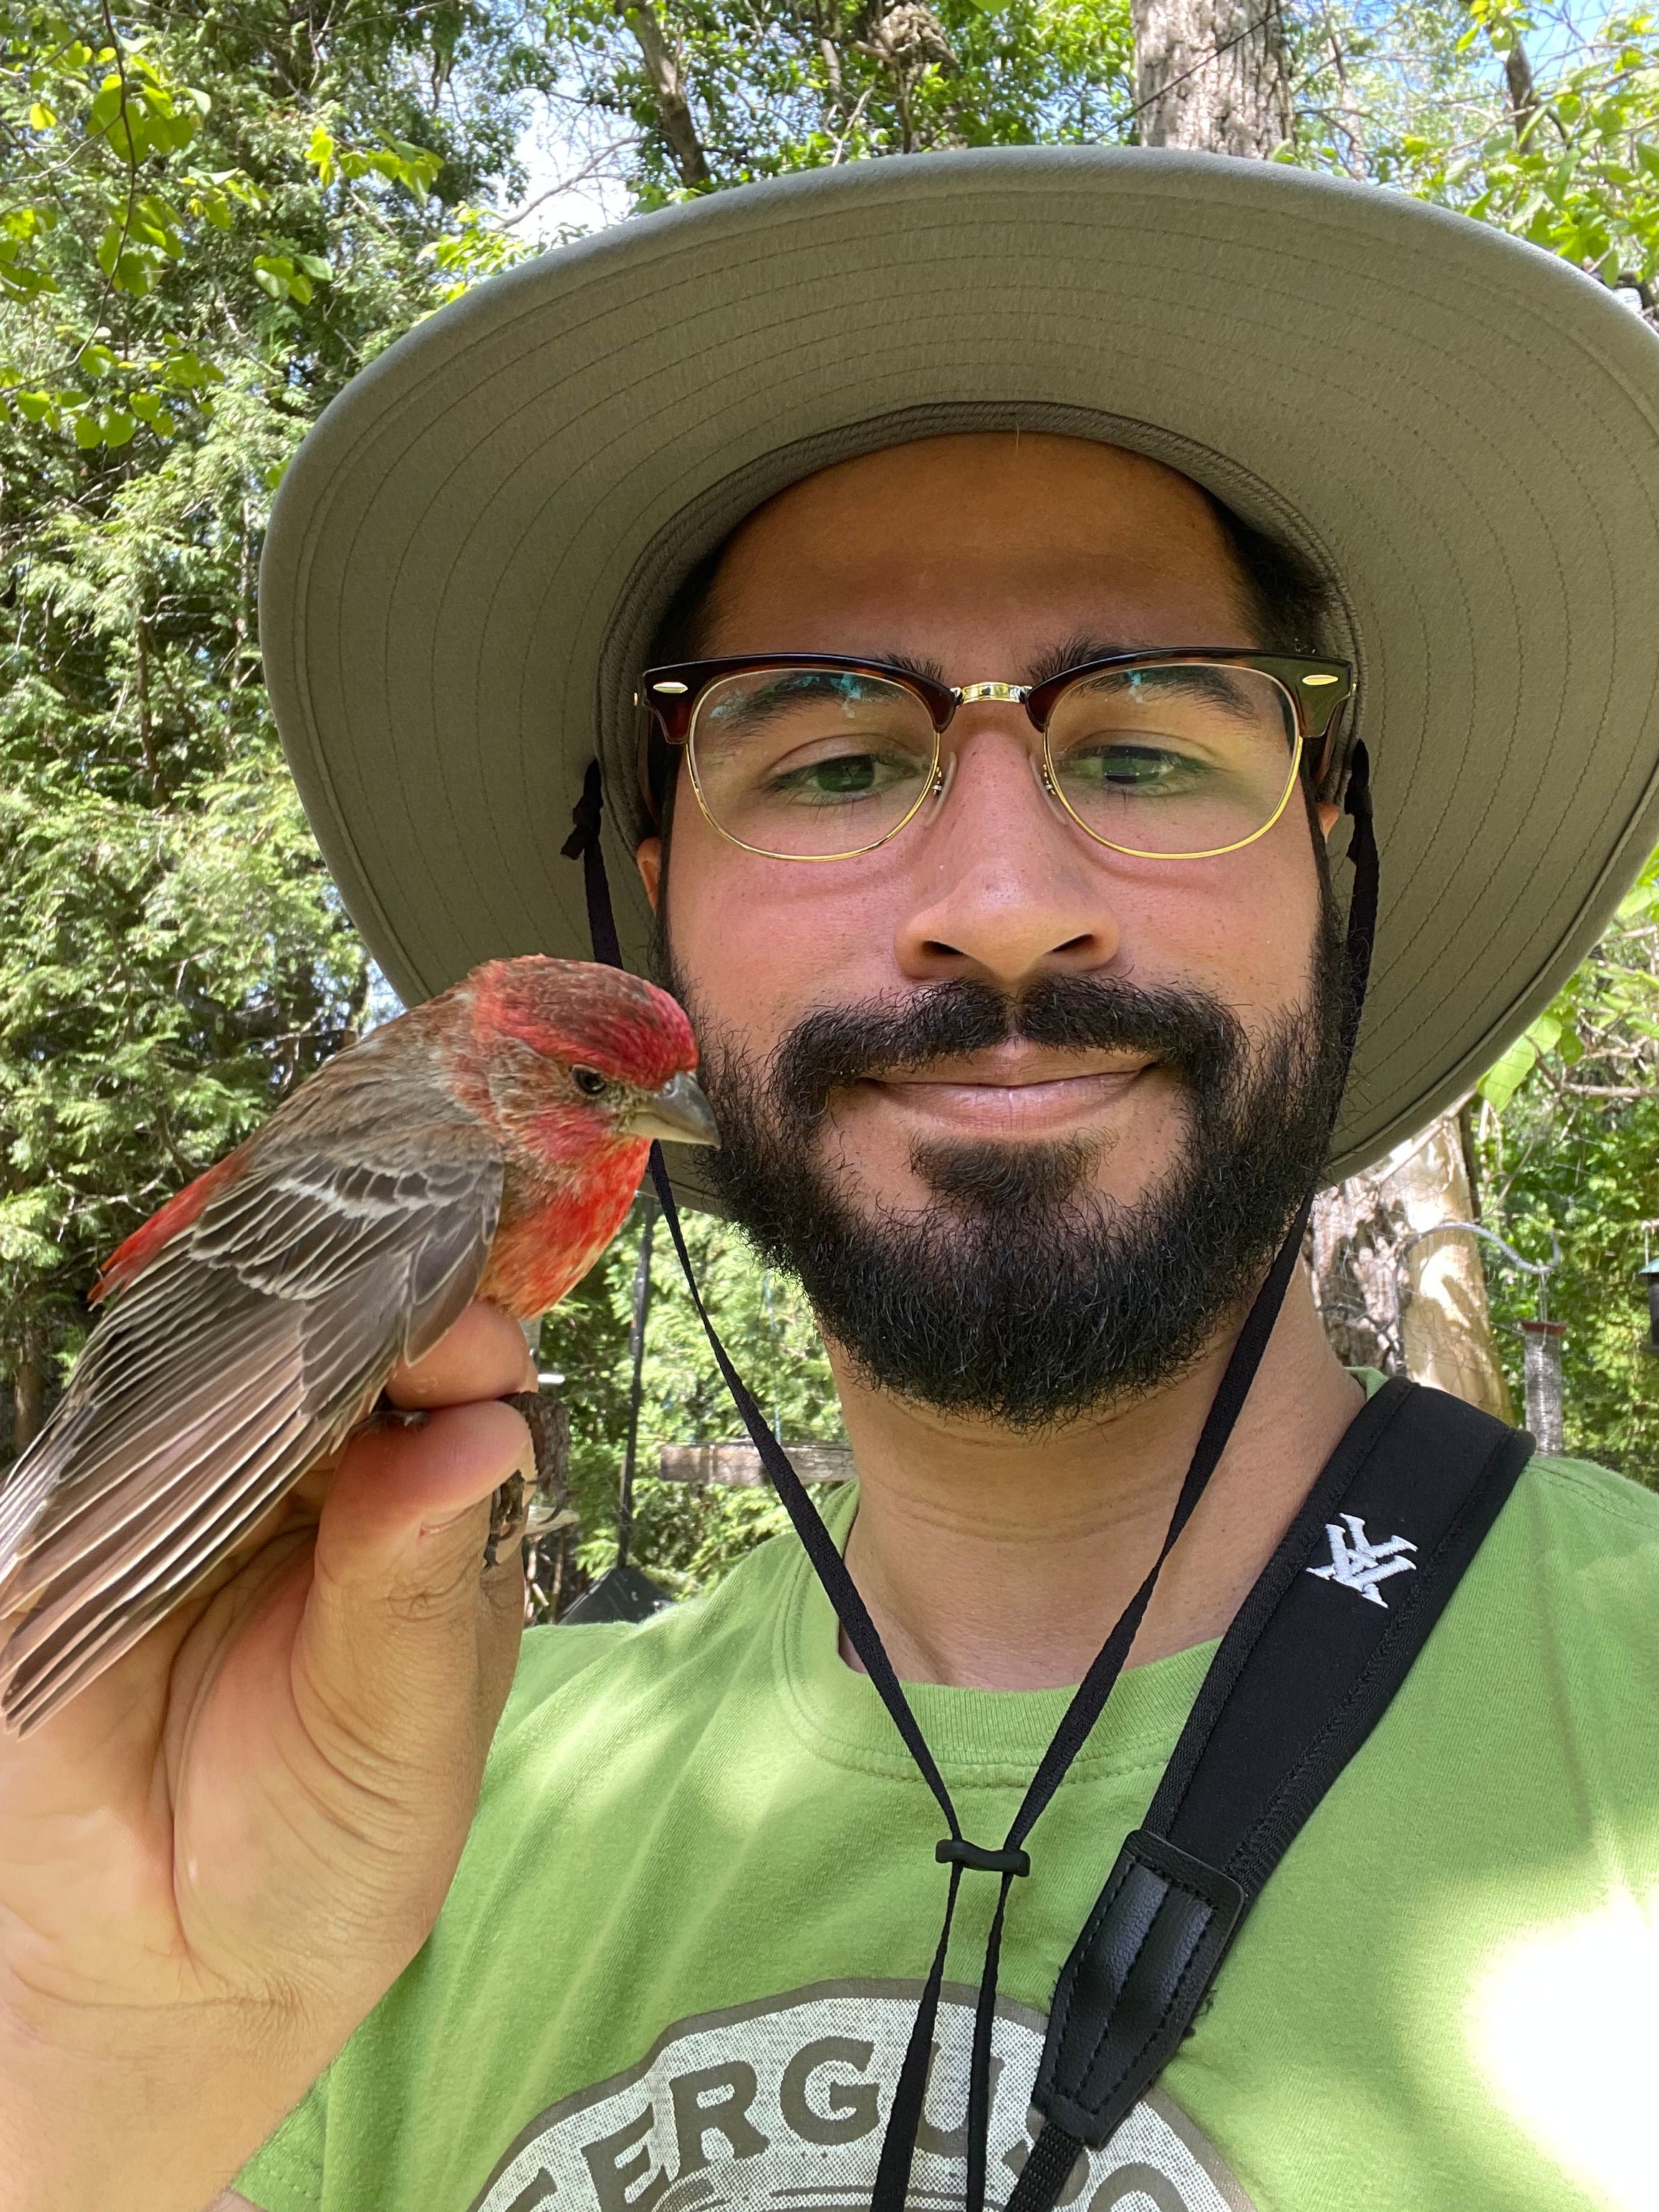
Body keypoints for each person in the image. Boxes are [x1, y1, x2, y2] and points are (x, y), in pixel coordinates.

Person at [6, 149, 1659, 2212]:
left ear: (1332, 862)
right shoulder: (357, 1815)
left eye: (1144, 747)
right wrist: (100, 2066)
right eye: (831, 760)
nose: (996, 908)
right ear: (651, 906)